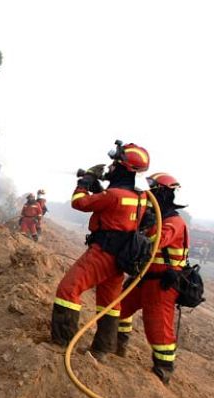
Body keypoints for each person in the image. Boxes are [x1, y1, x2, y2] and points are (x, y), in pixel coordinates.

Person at [51, 142, 150, 359]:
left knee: (68, 290)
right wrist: (99, 189)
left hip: (102, 254)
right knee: (109, 303)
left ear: (124, 168)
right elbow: (115, 207)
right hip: (120, 259)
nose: (111, 167)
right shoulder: (141, 197)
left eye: (115, 163)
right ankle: (102, 349)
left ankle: (62, 342)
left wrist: (84, 182)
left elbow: (80, 203)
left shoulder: (113, 195)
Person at [117, 173, 189, 384]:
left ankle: (163, 370)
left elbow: (153, 241)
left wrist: (145, 226)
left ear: (164, 193)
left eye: (153, 190)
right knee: (119, 307)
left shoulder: (173, 222)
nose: (149, 194)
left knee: (157, 327)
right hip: (144, 278)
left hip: (161, 283)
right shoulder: (157, 217)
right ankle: (118, 343)